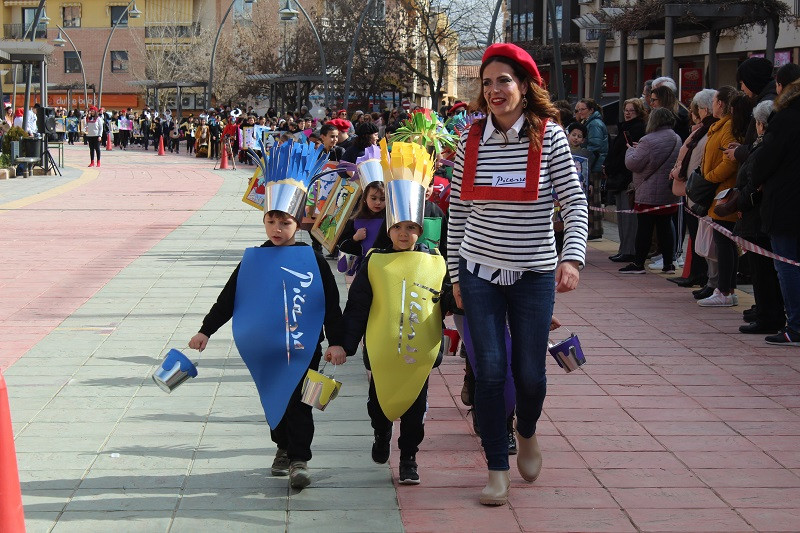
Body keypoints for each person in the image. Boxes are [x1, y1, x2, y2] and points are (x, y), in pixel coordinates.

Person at [447, 43, 588, 506]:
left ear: (525, 86)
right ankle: (496, 468)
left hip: (533, 274)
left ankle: (526, 432)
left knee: (529, 374)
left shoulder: (549, 138)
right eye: (487, 82)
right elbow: (459, 216)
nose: (493, 90)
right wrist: (454, 277)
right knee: (488, 371)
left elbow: (574, 202)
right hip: (479, 273)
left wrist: (572, 257)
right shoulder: (469, 140)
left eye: (503, 80)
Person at [188, 140, 345, 489]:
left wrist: (339, 343)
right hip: (265, 349)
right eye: (271, 220)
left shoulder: (312, 260)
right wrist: (205, 331)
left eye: (284, 221)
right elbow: (229, 299)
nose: (276, 228)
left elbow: (330, 305)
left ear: (298, 223)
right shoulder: (253, 259)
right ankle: (283, 447)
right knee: (274, 399)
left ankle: (300, 458)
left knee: (302, 403)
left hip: (304, 347)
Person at [332, 141, 449, 486]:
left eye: (411, 227)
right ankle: (381, 435)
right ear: (388, 227)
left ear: (420, 229)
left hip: (419, 353)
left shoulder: (437, 263)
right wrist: (344, 344)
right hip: (382, 353)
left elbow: (448, 302)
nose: (404, 234)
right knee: (378, 406)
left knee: (415, 411)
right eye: (397, 227)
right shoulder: (375, 262)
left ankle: (409, 457)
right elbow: (357, 309)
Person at [716, 100, 784, 334]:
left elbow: (754, 179)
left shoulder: (765, 148)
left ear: (761, 124)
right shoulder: (761, 146)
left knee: (763, 270)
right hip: (756, 216)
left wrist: (741, 201)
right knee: (763, 270)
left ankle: (768, 316)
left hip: (756, 217)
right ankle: (767, 312)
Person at [748, 77, 800, 346]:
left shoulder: (785, 119)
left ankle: (796, 325)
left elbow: (766, 161)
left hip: (786, 204)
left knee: (787, 265)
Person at [619, 107, 681, 275]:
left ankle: (638, 263)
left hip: (648, 191)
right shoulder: (676, 138)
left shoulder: (648, 140)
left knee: (645, 228)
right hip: (669, 191)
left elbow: (633, 164)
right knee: (665, 227)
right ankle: (668, 264)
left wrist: (631, 150)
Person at [696, 86, 741, 307]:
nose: (712, 104)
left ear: (721, 104)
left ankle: (725, 290)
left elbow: (729, 161)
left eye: (714, 101)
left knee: (725, 243)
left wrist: (710, 177)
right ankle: (726, 289)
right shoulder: (718, 126)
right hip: (717, 191)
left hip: (724, 192)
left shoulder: (728, 126)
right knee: (724, 243)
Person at [669, 89, 718, 291]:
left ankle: (709, 279)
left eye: (695, 108)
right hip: (691, 189)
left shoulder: (708, 131)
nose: (691, 112)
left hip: (698, 191)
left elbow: (697, 160)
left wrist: (680, 172)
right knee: (697, 236)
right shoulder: (700, 130)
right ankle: (700, 276)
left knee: (705, 239)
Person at [605, 98, 647, 263]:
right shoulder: (624, 127)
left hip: (627, 177)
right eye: (626, 110)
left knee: (628, 217)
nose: (628, 113)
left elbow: (626, 154)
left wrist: (611, 167)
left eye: (632, 110)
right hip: (618, 176)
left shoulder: (637, 129)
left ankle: (629, 250)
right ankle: (624, 248)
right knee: (622, 217)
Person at [574, 98, 608, 240]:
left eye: (583, 109)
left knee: (593, 198)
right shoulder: (591, 122)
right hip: (594, 163)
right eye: (578, 109)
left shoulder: (594, 124)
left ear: (591, 110)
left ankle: (594, 229)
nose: (580, 112)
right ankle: (593, 229)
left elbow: (594, 146)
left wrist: (585, 160)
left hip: (594, 165)